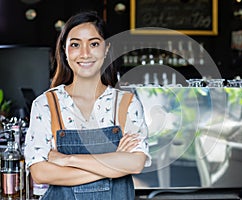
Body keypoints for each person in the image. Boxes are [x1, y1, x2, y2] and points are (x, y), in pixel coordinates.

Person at [24, 10, 151, 199]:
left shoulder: (126, 103)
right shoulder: (46, 105)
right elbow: (40, 173)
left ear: (106, 49)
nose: (85, 53)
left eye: (93, 44)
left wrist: (68, 160)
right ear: (64, 51)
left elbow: (136, 164)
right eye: (75, 44)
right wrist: (115, 165)